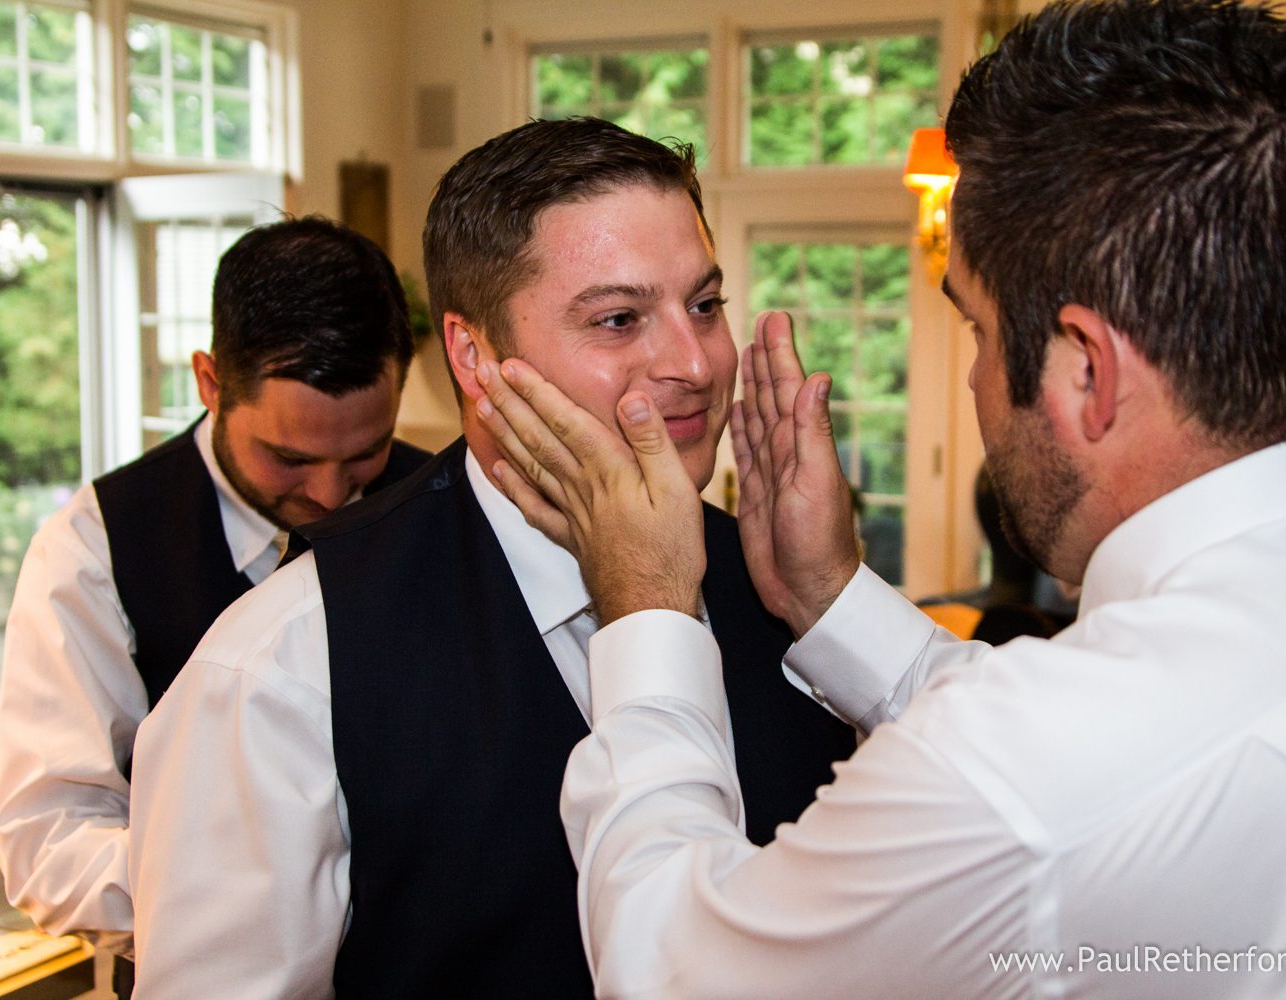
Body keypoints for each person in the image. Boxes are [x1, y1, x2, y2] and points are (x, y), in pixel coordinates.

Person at [475, 1, 1286, 996]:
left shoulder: (1024, 778)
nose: (969, 384)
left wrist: (651, 606)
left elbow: (673, 967)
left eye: (972, 326)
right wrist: (832, 595)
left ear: (1087, 369)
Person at [124, 118, 855, 998]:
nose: (697, 363)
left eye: (704, 305)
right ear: (474, 355)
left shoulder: (798, 597)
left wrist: (834, 602)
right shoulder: (285, 663)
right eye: (619, 319)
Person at [0, 216, 431, 995]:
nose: (331, 496)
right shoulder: (95, 549)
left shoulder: (443, 509)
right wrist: (266, 882)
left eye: (367, 450)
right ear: (208, 383)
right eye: (289, 458)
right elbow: (48, 842)